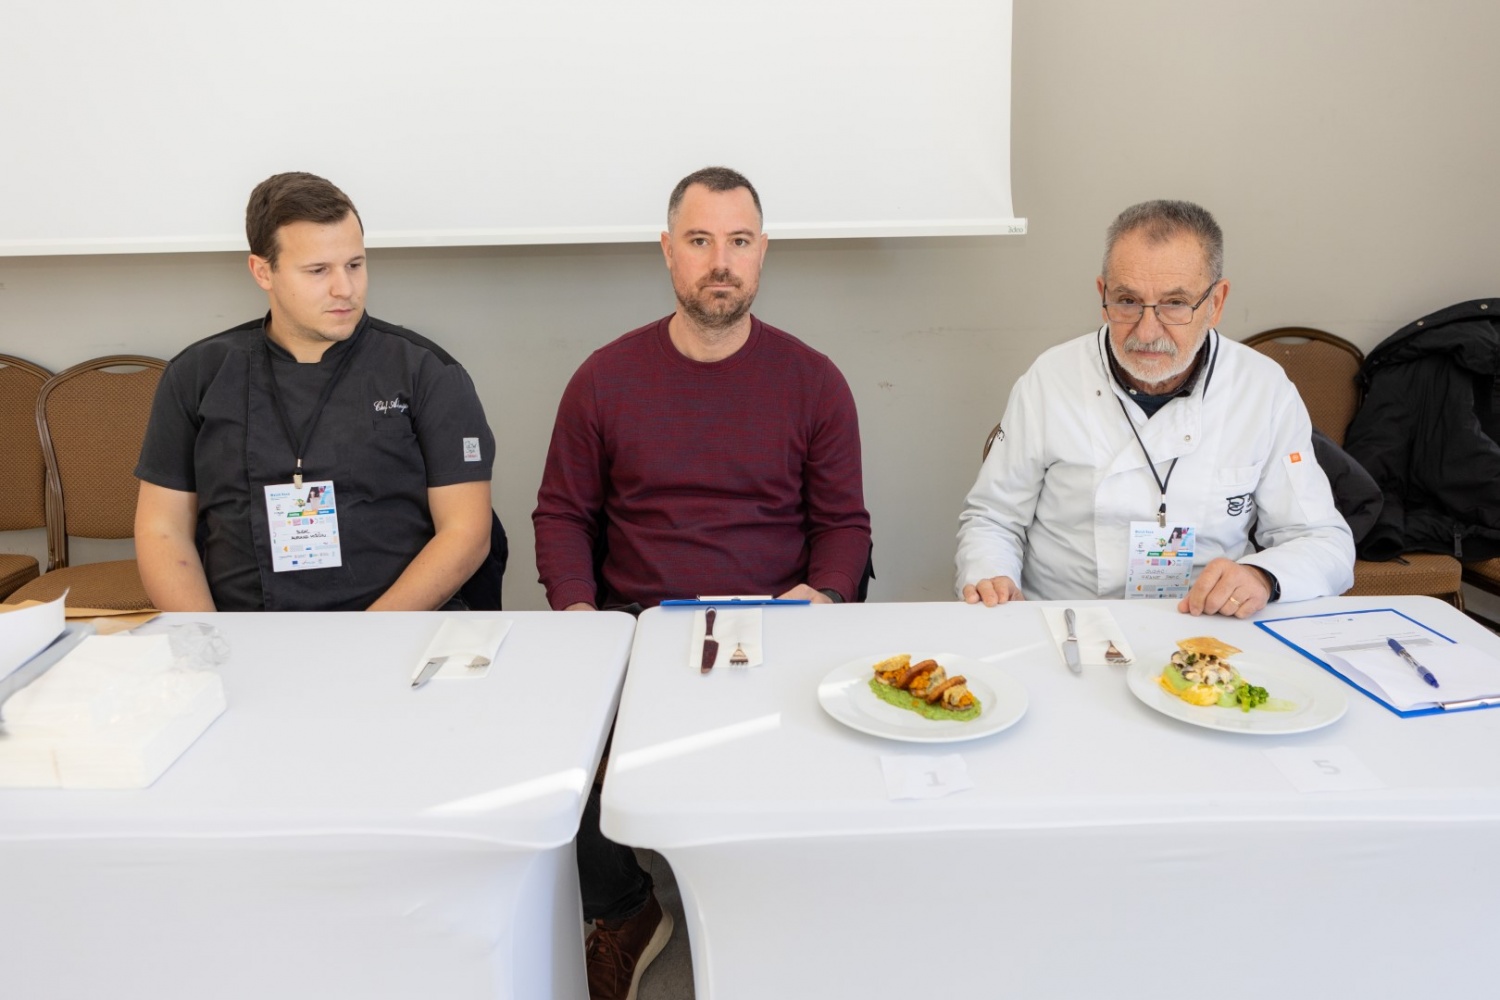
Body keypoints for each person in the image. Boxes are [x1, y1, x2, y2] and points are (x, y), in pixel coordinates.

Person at [532, 166, 872, 1000]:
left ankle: (777, 910)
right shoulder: (604, 379)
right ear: (667, 251)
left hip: (773, 629)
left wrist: (824, 597)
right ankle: (627, 910)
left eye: (739, 241)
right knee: (556, 747)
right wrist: (578, 613)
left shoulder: (813, 380)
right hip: (638, 632)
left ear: (762, 252)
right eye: (700, 240)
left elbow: (845, 528)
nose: (721, 261)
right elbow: (562, 516)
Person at [956, 200, 1354, 616]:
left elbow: (1324, 542)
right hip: (1066, 619)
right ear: (1103, 295)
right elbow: (992, 518)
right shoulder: (1051, 379)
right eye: (1128, 300)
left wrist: (1262, 577)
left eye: (1175, 303)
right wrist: (993, 579)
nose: (1147, 332)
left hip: (1207, 625)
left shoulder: (1262, 389)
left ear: (1216, 303)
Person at [134, 172, 496, 612]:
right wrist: (210, 638)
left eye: (355, 265)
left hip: (393, 629)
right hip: (244, 630)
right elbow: (162, 529)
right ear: (262, 271)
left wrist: (367, 635)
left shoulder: (426, 371)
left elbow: (466, 532)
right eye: (318, 270)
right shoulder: (197, 374)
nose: (345, 289)